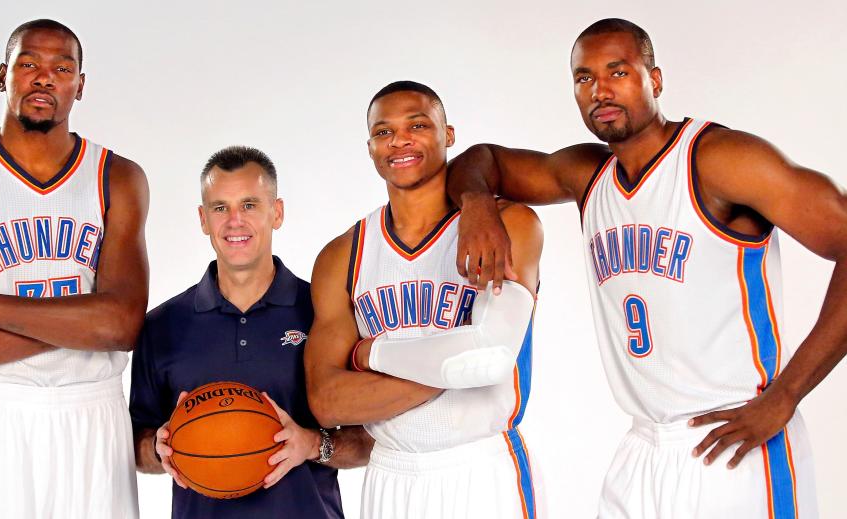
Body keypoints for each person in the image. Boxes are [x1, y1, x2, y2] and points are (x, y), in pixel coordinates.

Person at [447, 17, 847, 518]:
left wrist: (786, 395)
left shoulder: (719, 160)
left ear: (654, 79)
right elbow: (483, 159)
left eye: (618, 72)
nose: (600, 90)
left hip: (736, 441)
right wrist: (476, 203)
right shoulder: (586, 173)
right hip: (642, 448)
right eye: (584, 78)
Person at [0, 19, 148, 519]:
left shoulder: (117, 178)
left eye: (62, 68)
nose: (45, 78)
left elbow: (123, 326)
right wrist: (88, 323)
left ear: (80, 85)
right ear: (3, 75)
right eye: (28, 64)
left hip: (95, 412)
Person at [305, 81, 544, 519]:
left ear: (448, 134)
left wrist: (370, 353)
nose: (399, 141)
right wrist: (455, 367)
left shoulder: (508, 224)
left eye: (417, 125)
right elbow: (328, 400)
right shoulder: (343, 255)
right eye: (383, 132)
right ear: (371, 147)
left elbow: (489, 359)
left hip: (480, 469)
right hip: (389, 476)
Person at [130, 146, 373, 519]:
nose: (234, 222)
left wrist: (312, 445)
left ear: (276, 213)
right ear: (202, 219)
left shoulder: (325, 312)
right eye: (219, 207)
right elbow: (135, 446)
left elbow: (373, 442)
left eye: (249, 205)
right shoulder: (162, 326)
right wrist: (158, 448)